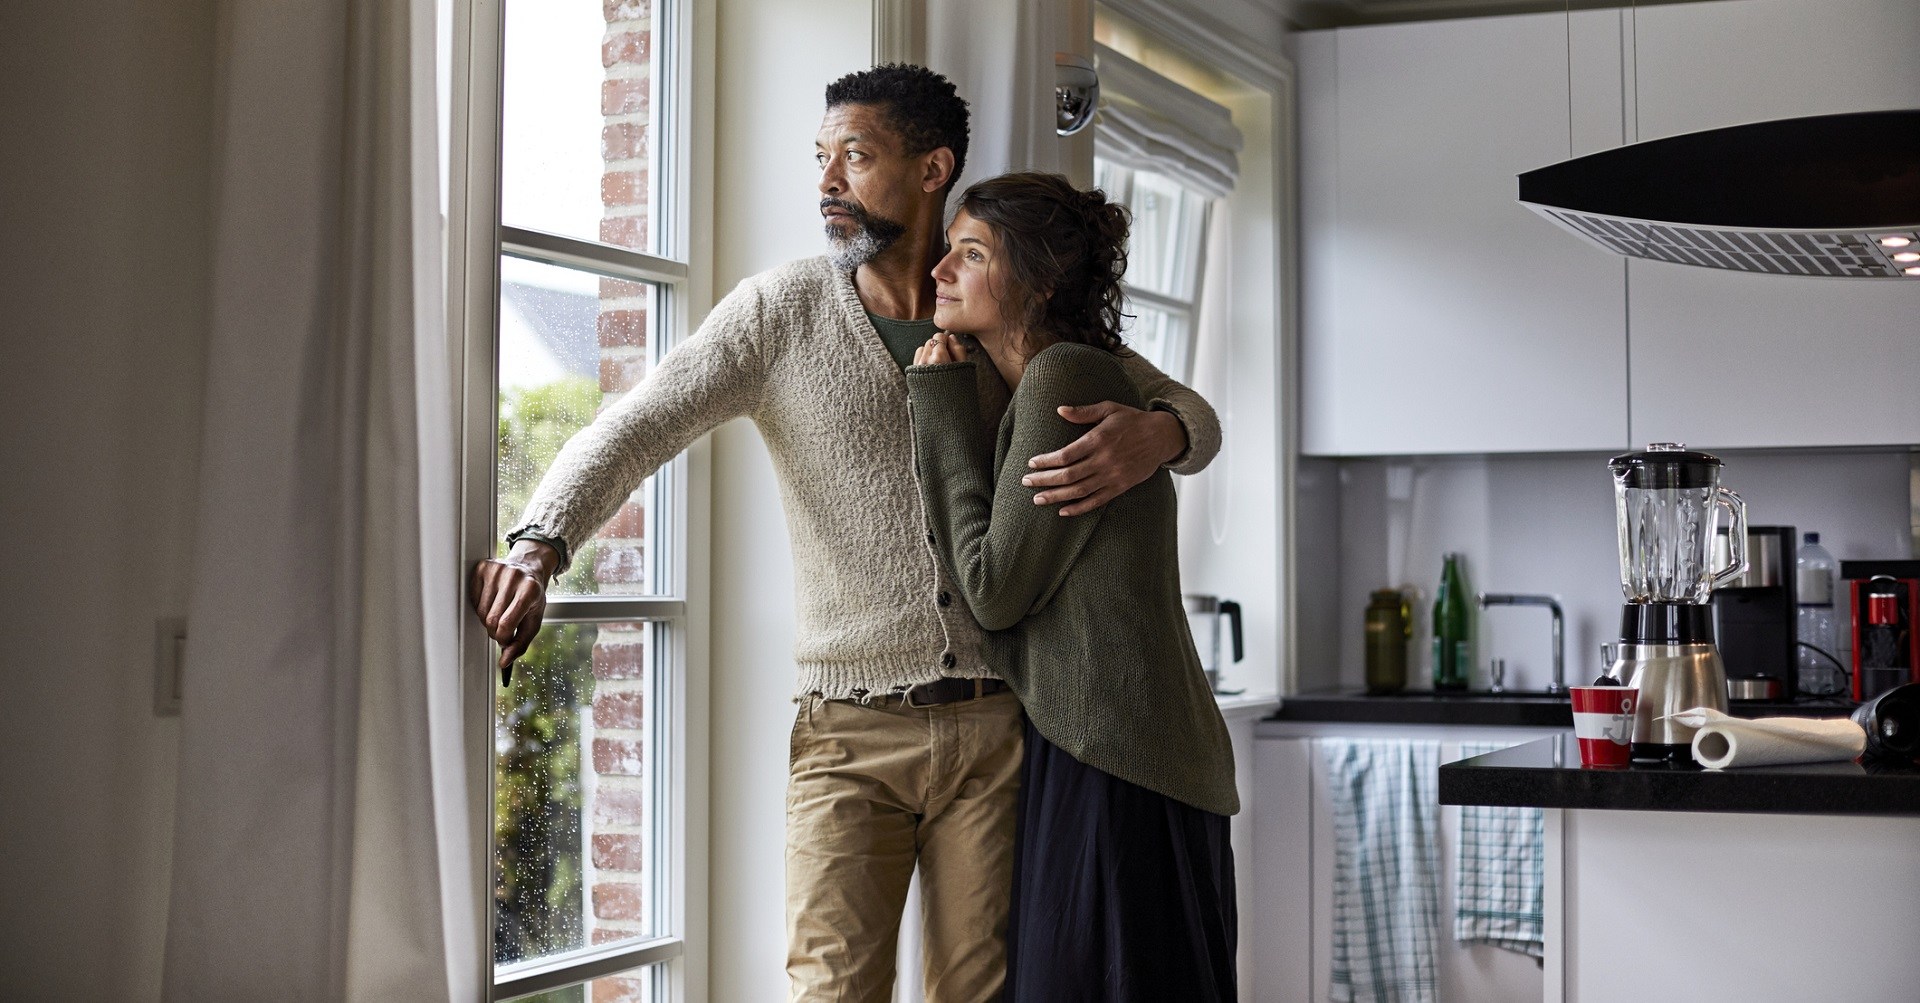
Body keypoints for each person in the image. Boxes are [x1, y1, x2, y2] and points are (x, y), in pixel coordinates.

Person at [467, 66, 1222, 1002]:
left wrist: (1166, 432)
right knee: (832, 990)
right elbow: (634, 425)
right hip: (846, 732)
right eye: (821, 158)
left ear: (932, 167)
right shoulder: (779, 313)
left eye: (855, 157)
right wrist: (540, 542)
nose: (828, 181)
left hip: (997, 727)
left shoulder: (994, 306)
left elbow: (1182, 401)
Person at [906, 172, 1240, 1001]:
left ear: (1040, 280)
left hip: (1114, 758)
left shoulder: (1062, 376)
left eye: (971, 253)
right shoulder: (1074, 371)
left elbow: (991, 590)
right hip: (1126, 750)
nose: (940, 271)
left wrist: (941, 403)